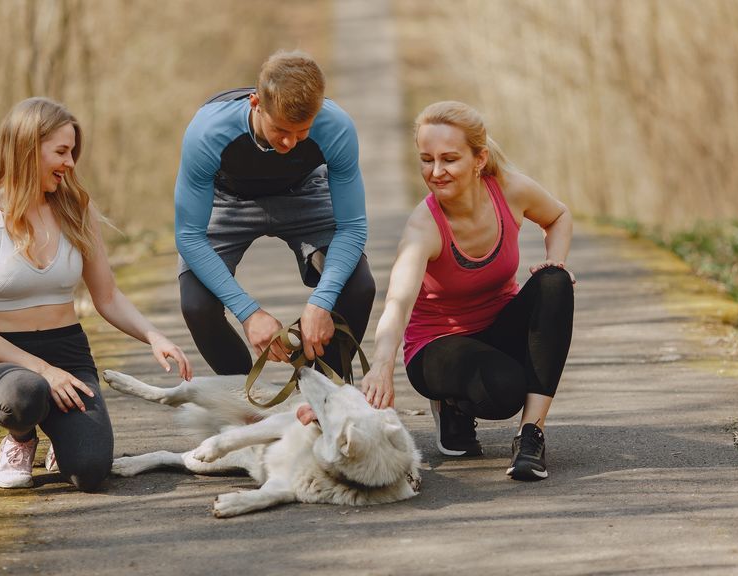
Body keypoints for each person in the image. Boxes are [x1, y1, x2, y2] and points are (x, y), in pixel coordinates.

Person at [0, 97, 191, 492]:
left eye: (73, 152)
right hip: (3, 364)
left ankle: (64, 439)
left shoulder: (77, 209)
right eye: (61, 151)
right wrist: (43, 370)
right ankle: (21, 439)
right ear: (27, 149)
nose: (71, 163)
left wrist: (153, 335)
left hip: (70, 353)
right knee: (26, 394)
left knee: (91, 471)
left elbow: (107, 296)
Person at [359, 100, 575, 481]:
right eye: (427, 160)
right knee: (505, 390)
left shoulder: (509, 191)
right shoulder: (423, 227)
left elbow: (558, 216)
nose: (436, 172)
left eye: (449, 159)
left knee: (554, 281)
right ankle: (451, 405)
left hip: (496, 331)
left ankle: (531, 435)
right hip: (438, 347)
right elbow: (398, 301)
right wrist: (381, 366)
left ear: (479, 159)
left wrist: (554, 259)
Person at [174, 50, 375, 377]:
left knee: (358, 286)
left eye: (303, 131)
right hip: (228, 199)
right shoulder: (207, 132)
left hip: (304, 193)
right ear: (256, 103)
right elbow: (188, 236)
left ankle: (322, 395)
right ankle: (243, 400)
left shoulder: (336, 127)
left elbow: (352, 227)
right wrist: (249, 313)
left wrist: (322, 302)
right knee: (197, 305)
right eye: (281, 129)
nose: (291, 142)